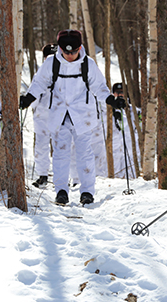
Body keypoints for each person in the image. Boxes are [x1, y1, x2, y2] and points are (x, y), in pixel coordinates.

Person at [20, 29, 115, 205]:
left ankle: (87, 191)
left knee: (84, 154)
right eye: (66, 52)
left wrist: (111, 100)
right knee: (60, 154)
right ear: (60, 49)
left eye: (74, 51)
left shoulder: (88, 64)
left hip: (82, 115)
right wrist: (29, 98)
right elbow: (39, 83)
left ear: (80, 48)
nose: (70, 55)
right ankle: (61, 190)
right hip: (59, 114)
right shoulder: (51, 63)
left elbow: (99, 87)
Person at [30, 43, 57, 188]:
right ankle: (42, 175)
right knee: (41, 146)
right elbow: (33, 94)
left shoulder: (64, 74)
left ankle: (66, 177)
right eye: (48, 57)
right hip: (42, 116)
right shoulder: (39, 74)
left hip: (59, 115)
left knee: (63, 146)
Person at [111, 82, 140, 178]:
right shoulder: (107, 111)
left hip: (130, 150)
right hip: (114, 150)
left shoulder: (135, 111)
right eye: (117, 92)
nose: (120, 94)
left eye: (122, 92)